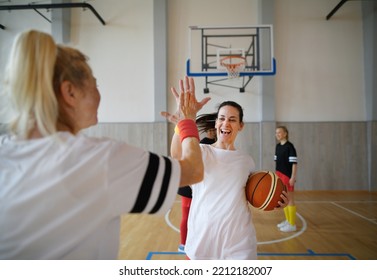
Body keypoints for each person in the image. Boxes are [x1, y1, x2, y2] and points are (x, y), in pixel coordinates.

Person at [0, 30, 207, 260]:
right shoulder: (100, 159)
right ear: (70, 92)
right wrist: (187, 120)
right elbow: (193, 169)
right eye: (95, 84)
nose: (99, 94)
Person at [165, 94, 289, 259]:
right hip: (202, 240)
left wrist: (277, 201)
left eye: (232, 119)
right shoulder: (201, 151)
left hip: (239, 243)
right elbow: (177, 153)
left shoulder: (247, 161)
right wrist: (183, 120)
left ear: (240, 125)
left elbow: (255, 196)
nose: (225, 123)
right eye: (222, 118)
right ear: (216, 123)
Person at [176, 115, 216, 253]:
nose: (211, 132)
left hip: (202, 186)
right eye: (209, 130)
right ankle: (183, 244)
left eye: (213, 130)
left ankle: (200, 242)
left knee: (202, 217)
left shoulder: (217, 145)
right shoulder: (202, 144)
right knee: (187, 216)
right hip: (189, 187)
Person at [274, 125, 298, 232]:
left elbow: (294, 163)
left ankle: (292, 224)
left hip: (287, 176)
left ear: (285, 134)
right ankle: (288, 221)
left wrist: (292, 177)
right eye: (276, 133)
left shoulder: (290, 147)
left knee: (290, 200)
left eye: (279, 132)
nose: (277, 134)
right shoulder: (278, 146)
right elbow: (277, 163)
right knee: (284, 199)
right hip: (279, 175)